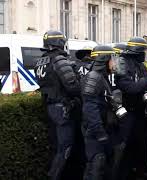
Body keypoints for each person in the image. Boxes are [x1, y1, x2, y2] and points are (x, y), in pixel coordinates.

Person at [34, 30, 81, 180]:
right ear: (60, 43)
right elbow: (73, 87)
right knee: (65, 148)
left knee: (56, 147)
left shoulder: (41, 61)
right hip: (62, 108)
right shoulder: (59, 60)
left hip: (50, 108)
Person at [81, 45, 124, 180]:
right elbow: (90, 108)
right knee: (96, 164)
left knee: (102, 165)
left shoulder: (101, 77)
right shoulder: (94, 77)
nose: (114, 63)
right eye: (112, 59)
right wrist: (99, 132)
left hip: (103, 128)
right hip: (95, 131)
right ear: (104, 59)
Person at [114, 37, 147, 179]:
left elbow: (145, 85)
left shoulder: (140, 65)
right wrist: (143, 82)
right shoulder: (122, 63)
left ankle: (138, 173)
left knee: (140, 144)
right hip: (127, 112)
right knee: (124, 147)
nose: (144, 55)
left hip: (139, 112)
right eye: (143, 52)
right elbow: (130, 88)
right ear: (137, 51)